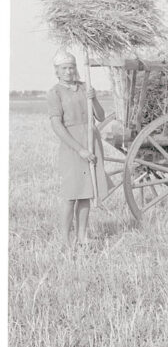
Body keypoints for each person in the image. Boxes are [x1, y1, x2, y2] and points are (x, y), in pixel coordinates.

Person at [47, 49, 109, 246]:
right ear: (57, 71)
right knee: (71, 194)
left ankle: (82, 236)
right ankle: (66, 240)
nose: (69, 71)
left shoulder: (85, 87)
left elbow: (100, 116)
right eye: (64, 68)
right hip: (72, 146)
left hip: (91, 141)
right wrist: (79, 149)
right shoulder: (54, 93)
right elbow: (57, 125)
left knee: (86, 193)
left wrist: (95, 98)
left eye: (71, 67)